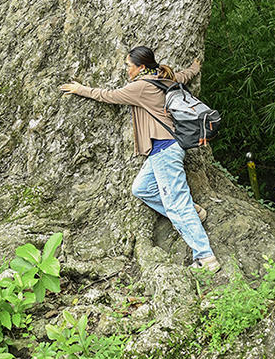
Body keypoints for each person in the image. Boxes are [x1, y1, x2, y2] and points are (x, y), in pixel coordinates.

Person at [60, 46, 220, 272]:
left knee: (177, 205)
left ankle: (205, 257)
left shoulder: (141, 87)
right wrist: (194, 68)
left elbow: (109, 96)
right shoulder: (163, 78)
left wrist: (79, 89)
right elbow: (183, 76)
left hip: (165, 150)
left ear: (141, 67)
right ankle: (194, 214)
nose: (126, 69)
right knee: (142, 188)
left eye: (128, 66)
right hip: (163, 150)